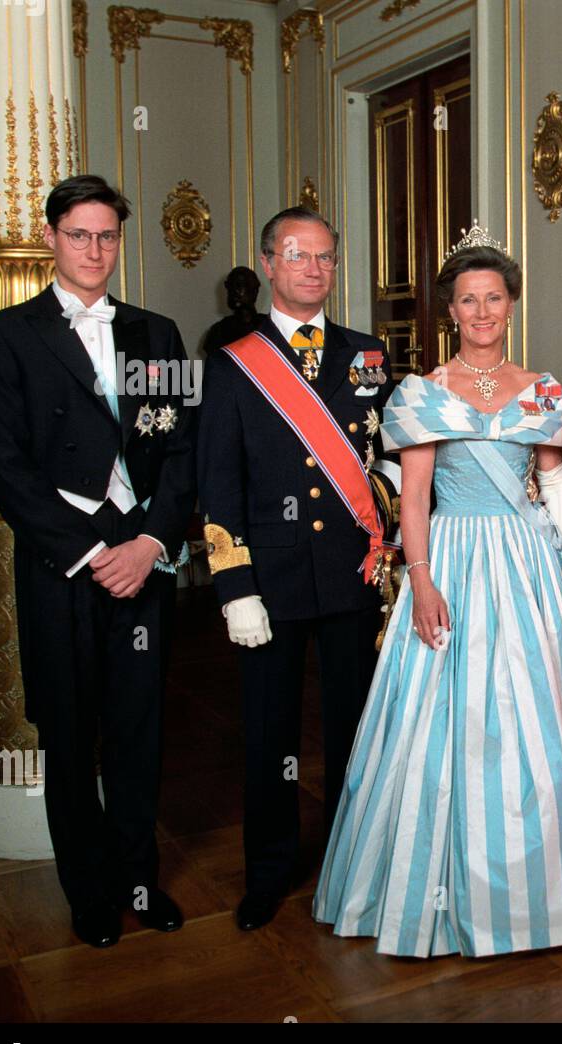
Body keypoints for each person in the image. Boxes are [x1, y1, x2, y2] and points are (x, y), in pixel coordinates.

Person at [312, 225, 562, 957]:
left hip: (527, 562)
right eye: (467, 299)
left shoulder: (544, 390)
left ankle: (537, 899)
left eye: (493, 297)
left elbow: (558, 486)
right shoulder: (423, 392)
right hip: (454, 557)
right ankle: (435, 891)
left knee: (535, 719)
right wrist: (422, 580)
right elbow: (414, 499)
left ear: (509, 303)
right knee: (449, 719)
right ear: (450, 310)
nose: (481, 310)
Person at [0, 174, 196, 947]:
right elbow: (6, 467)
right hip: (64, 570)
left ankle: (140, 880)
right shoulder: (8, 334)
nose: (94, 249)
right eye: (79, 235)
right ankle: (90, 893)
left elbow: (179, 451)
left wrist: (150, 543)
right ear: (53, 238)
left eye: (107, 235)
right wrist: (94, 552)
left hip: (142, 561)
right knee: (71, 736)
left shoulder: (156, 332)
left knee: (139, 732)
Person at [197, 207, 397, 932]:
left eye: (325, 257)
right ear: (270, 264)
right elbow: (217, 483)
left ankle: (353, 865)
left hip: (353, 576)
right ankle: (269, 873)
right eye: (297, 255)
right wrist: (235, 586)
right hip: (272, 583)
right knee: (269, 734)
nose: (313, 269)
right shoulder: (233, 360)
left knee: (356, 728)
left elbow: (388, 457)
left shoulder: (366, 352)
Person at [200, 266, 261, 356]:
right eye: (230, 286)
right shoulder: (218, 331)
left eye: (240, 285)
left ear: (255, 291)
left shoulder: (269, 328)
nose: (234, 291)